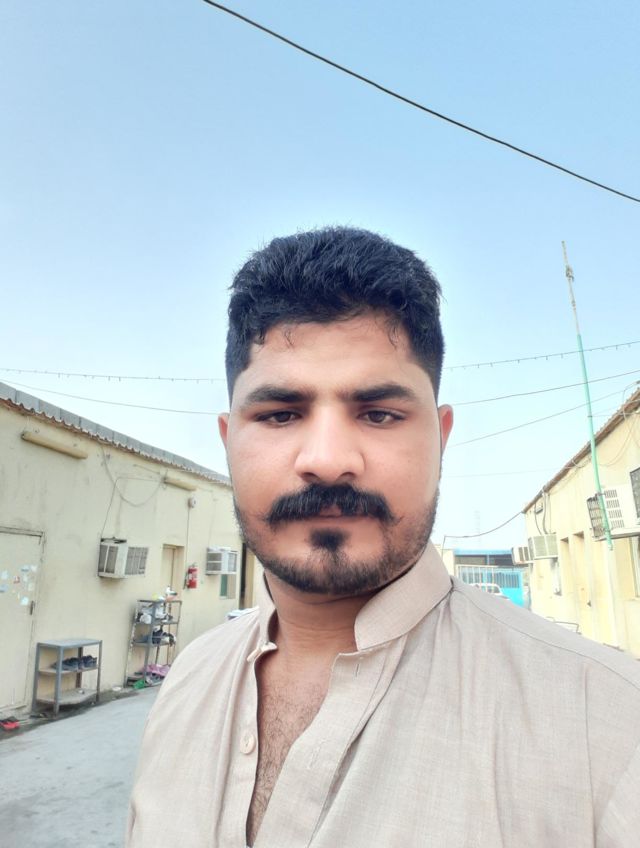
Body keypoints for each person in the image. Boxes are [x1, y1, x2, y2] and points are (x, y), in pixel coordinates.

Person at [126, 227, 640, 847]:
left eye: (379, 414)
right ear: (229, 439)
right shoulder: (189, 678)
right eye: (280, 414)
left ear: (440, 438)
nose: (327, 460)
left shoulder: (609, 726)